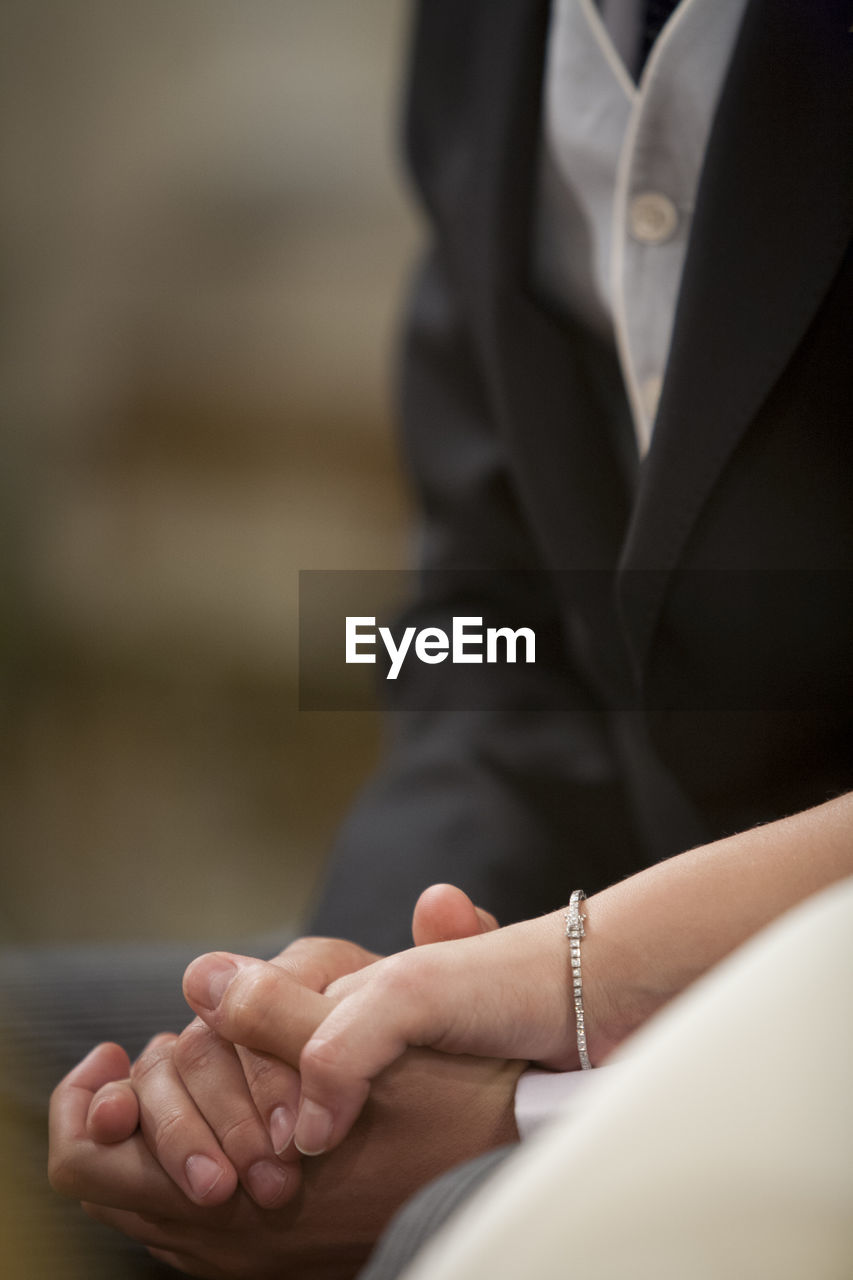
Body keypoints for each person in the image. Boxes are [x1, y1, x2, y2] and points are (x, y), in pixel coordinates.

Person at [32, 0, 853, 1273]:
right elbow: (488, 616)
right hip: (558, 951)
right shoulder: (486, 27)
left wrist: (547, 1051)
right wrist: (344, 1022)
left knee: (445, 1236)